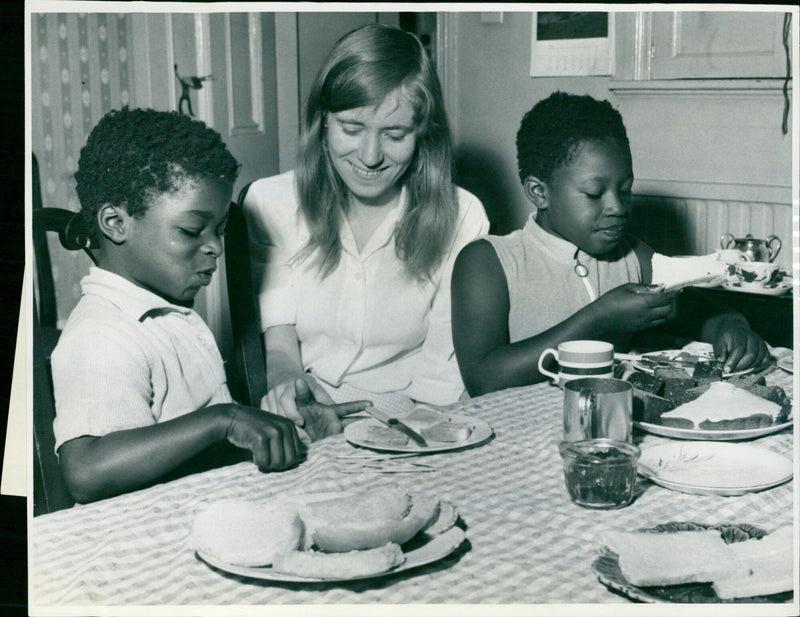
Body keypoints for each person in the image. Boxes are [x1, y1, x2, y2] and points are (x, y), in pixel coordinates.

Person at [51, 108, 367, 504]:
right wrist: (222, 420)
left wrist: (293, 429)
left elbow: (202, 452)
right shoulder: (102, 333)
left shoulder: (169, 314)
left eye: (219, 230)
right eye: (190, 230)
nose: (215, 247)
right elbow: (86, 472)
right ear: (115, 223)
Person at [243, 24, 489, 424]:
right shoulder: (270, 202)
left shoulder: (463, 215)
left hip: (415, 409)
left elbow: (442, 368)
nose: (370, 156)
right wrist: (297, 393)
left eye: (394, 134)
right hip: (311, 397)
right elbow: (279, 348)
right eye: (352, 129)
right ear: (322, 122)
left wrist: (406, 434)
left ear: (423, 134)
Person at [451, 91, 770, 397]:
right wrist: (598, 319)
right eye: (594, 193)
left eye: (625, 190)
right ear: (539, 192)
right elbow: (483, 379)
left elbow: (705, 313)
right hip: (509, 433)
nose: (617, 207)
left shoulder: (635, 258)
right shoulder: (488, 262)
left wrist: (733, 329)